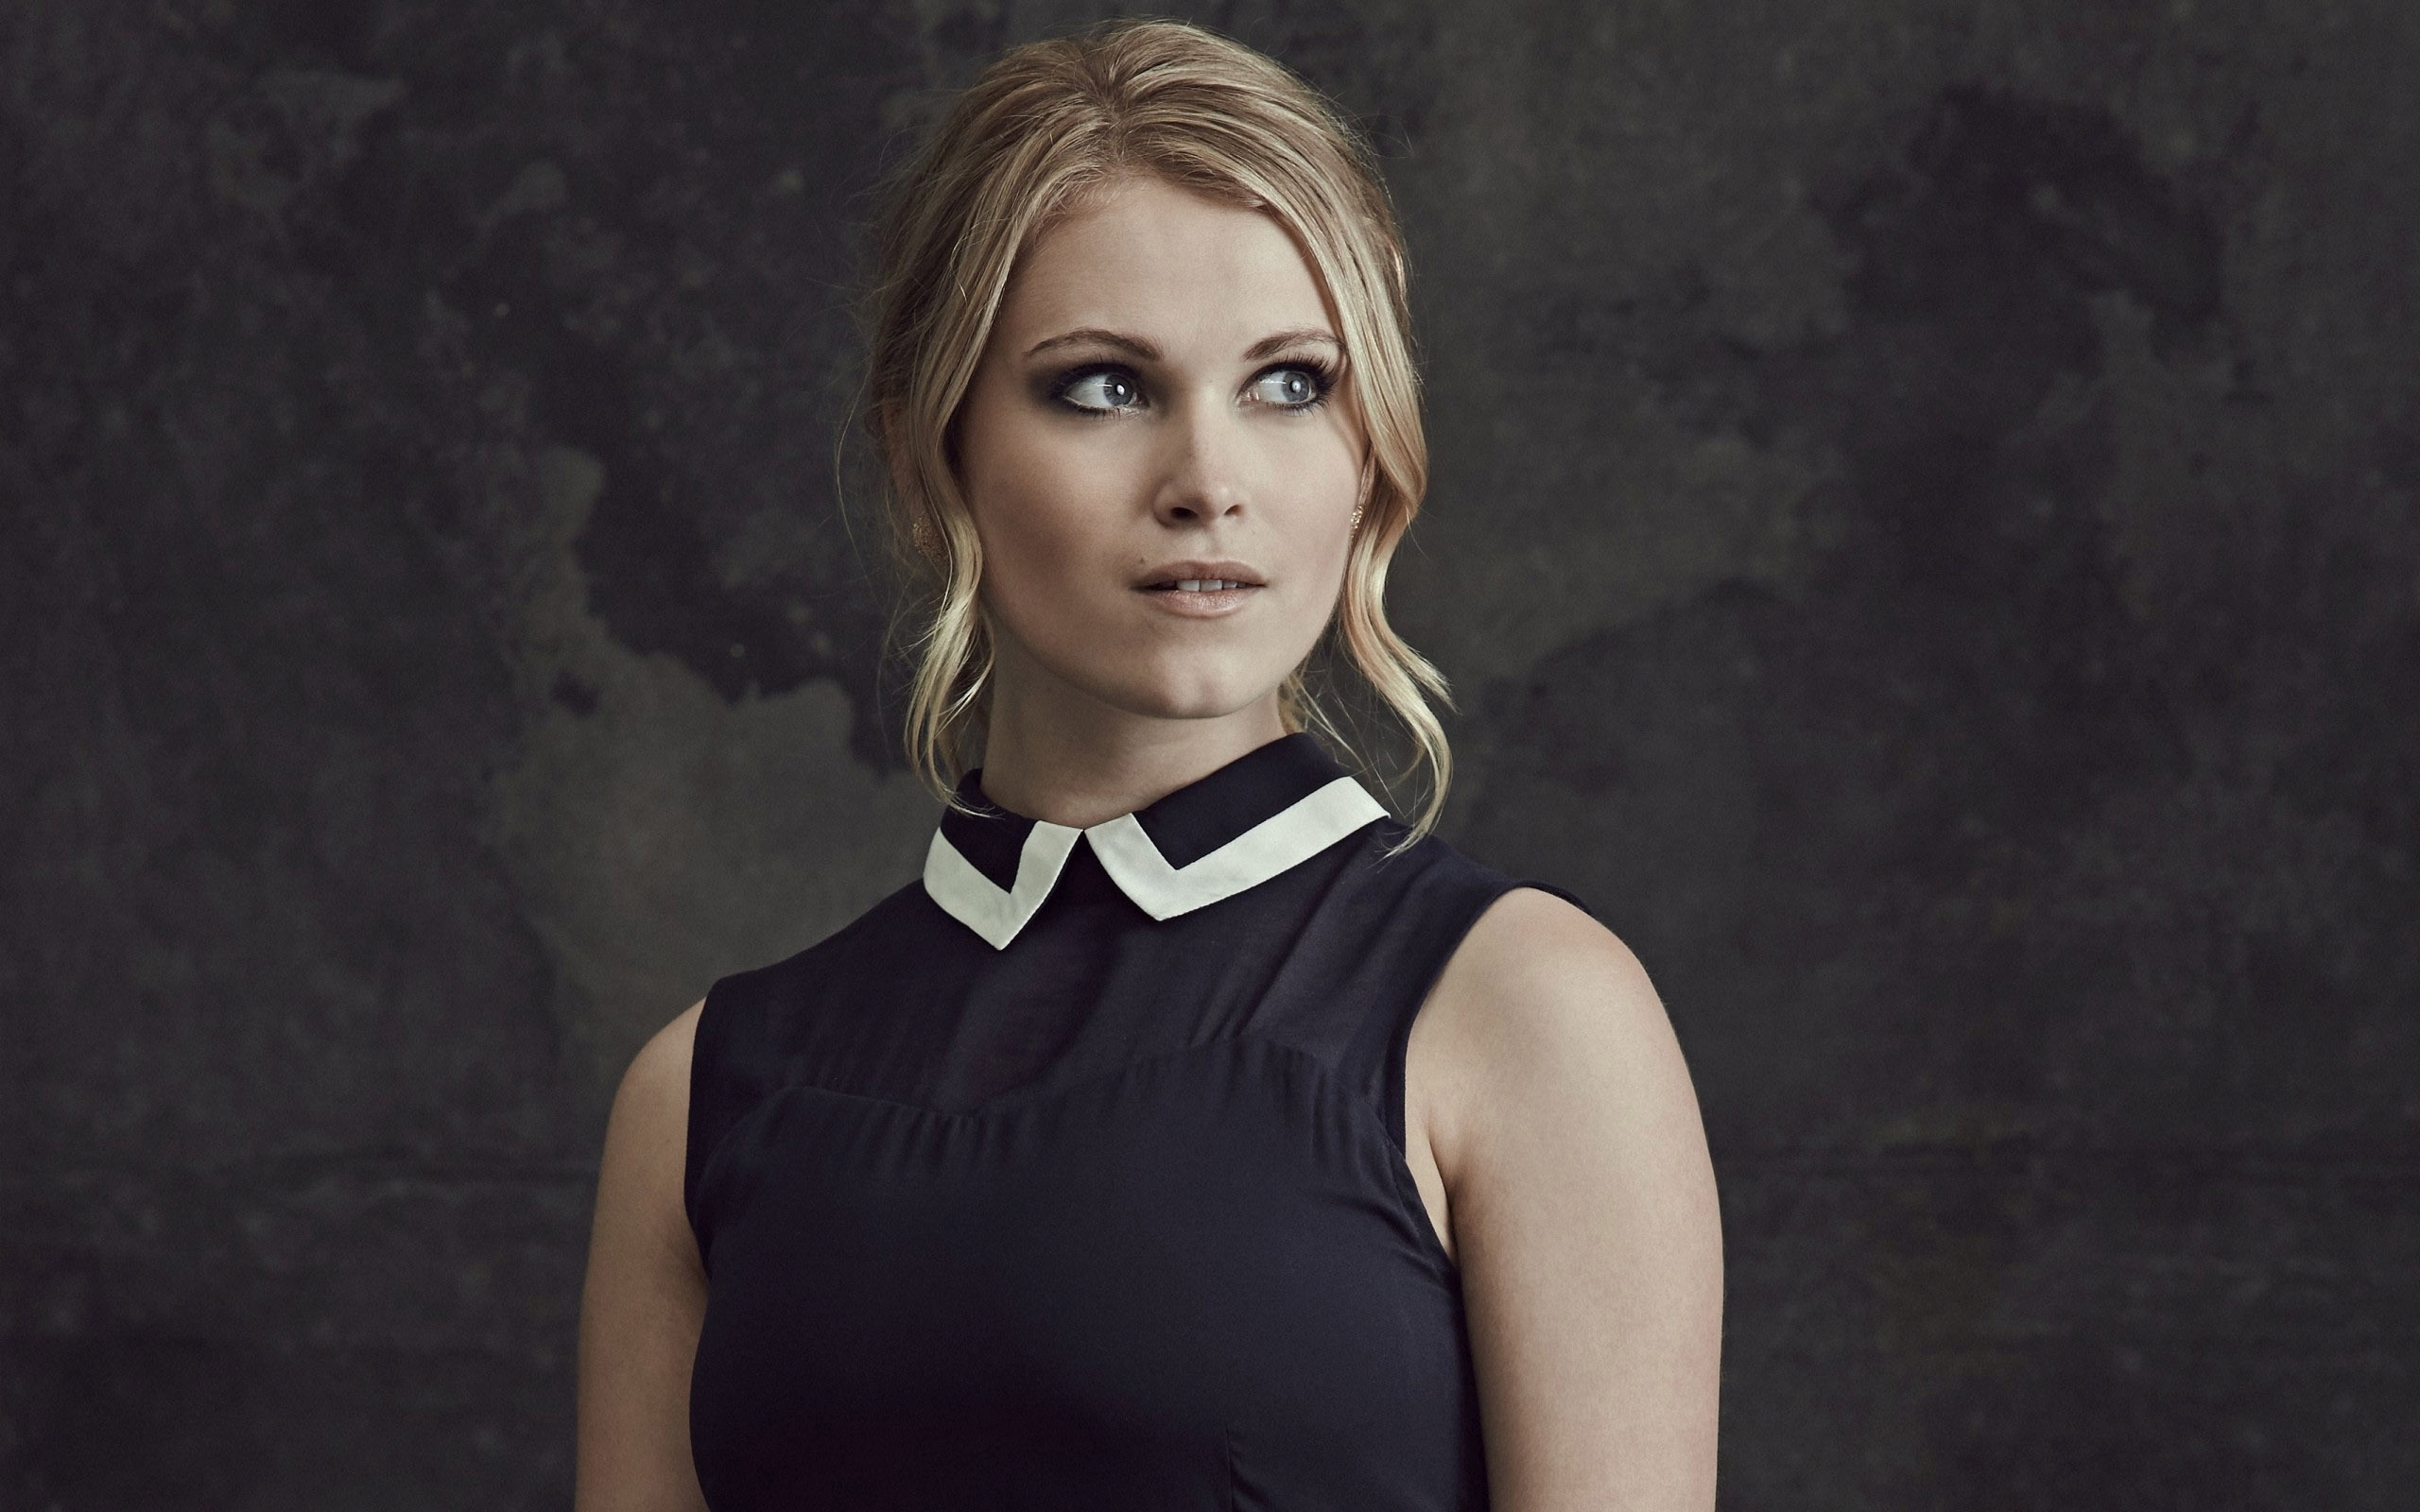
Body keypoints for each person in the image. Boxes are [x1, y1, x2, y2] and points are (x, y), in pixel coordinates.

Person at [575, 18, 1720, 1510]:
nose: (1208, 483)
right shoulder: (704, 1091)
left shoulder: (1526, 1016)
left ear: (1369, 451)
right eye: (1105, 387)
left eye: (1290, 383)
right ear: (929, 455)